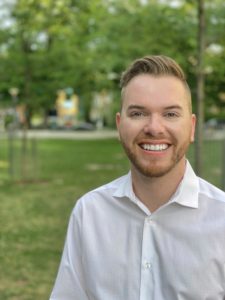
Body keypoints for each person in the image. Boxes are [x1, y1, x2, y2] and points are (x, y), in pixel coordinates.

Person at [50, 55, 225, 300]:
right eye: (138, 113)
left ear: (192, 127)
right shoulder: (90, 213)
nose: (154, 127)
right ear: (120, 126)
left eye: (171, 114)